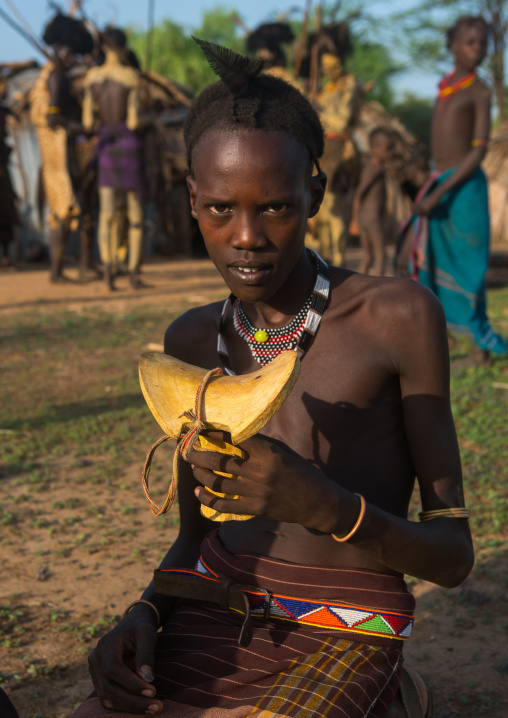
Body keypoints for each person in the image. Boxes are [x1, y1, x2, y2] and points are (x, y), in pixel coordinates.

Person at [71, 40, 473, 718]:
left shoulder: (396, 316)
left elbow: (454, 556)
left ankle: (393, 693)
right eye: (221, 208)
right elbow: (197, 540)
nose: (247, 236)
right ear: (193, 200)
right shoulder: (191, 341)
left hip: (344, 634)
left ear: (315, 193)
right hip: (209, 613)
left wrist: (326, 507)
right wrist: (145, 610)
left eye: (276, 207)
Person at [397, 15, 506, 358]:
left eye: (483, 43)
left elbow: (477, 151)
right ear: (453, 45)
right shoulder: (445, 87)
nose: (478, 49)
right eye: (471, 42)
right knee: (432, 256)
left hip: (463, 190)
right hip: (439, 181)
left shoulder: (479, 91)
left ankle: (480, 343)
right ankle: (438, 336)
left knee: (468, 264)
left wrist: (441, 192)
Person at [30, 13, 92, 283]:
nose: (73, 59)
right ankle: (55, 272)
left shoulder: (46, 75)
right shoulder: (56, 78)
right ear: (61, 48)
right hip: (57, 155)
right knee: (63, 210)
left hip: (52, 154)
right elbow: (55, 117)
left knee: (61, 212)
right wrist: (87, 129)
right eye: (70, 53)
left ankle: (57, 270)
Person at [82, 26, 145, 291]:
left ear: (104, 47)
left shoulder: (91, 77)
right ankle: (132, 273)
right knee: (135, 214)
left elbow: (87, 122)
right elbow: (133, 121)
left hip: (106, 146)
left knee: (106, 213)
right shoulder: (132, 77)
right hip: (129, 147)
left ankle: (108, 273)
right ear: (123, 47)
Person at [350, 127, 395, 276]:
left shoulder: (370, 168)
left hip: (364, 217)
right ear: (374, 149)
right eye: (388, 148)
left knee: (368, 257)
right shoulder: (376, 169)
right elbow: (359, 193)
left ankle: (359, 287)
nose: (392, 152)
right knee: (381, 254)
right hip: (372, 218)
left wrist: (357, 218)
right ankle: (378, 289)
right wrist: (354, 219)